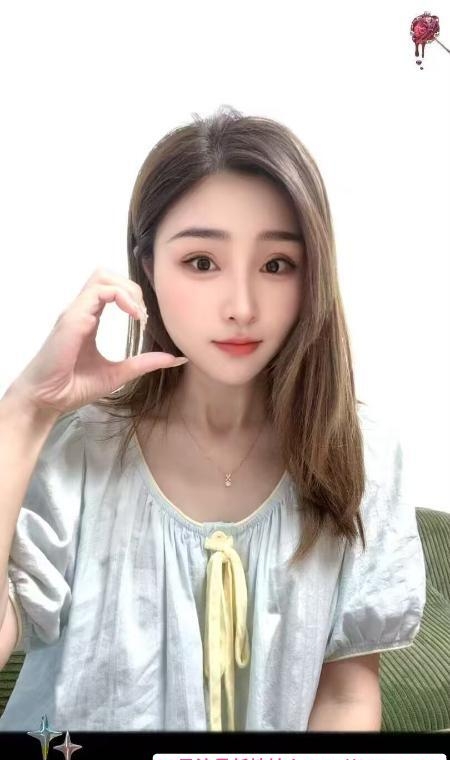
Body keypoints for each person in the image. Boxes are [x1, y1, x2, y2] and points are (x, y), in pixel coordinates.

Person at [0, 105, 426, 732]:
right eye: (202, 262)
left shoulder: (360, 454)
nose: (242, 307)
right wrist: (24, 410)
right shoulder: (81, 448)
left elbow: (346, 696)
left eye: (276, 265)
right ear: (147, 266)